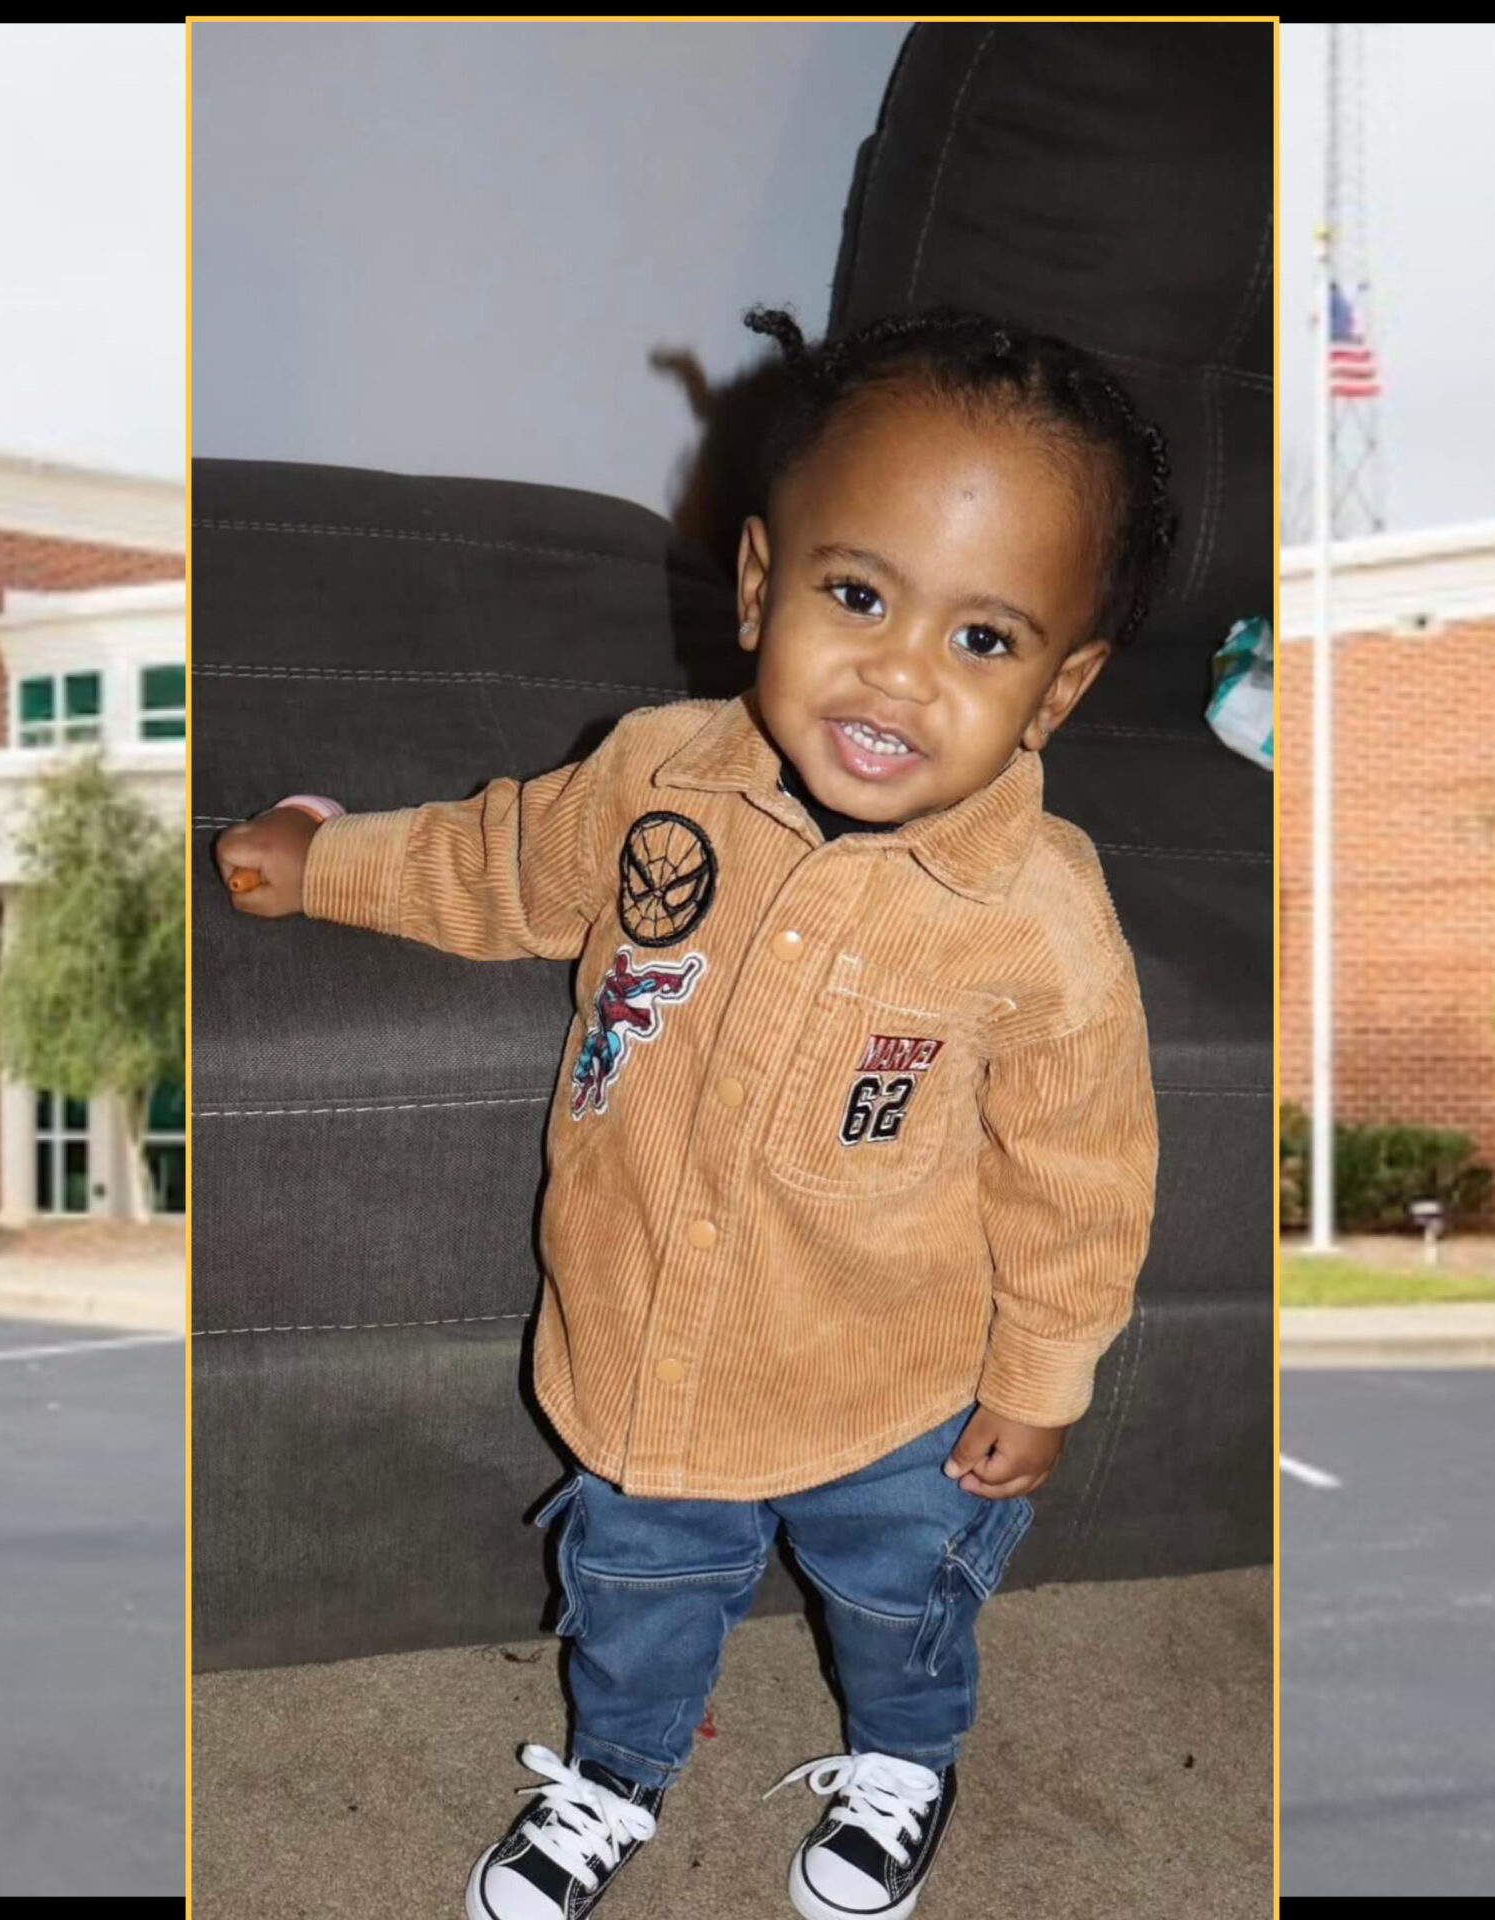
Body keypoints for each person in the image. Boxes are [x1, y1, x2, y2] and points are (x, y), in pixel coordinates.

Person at [215, 303, 1165, 1920]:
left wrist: (1045, 1376)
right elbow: (502, 864)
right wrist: (326, 862)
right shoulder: (657, 779)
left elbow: (1081, 1172)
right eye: (857, 595)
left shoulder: (1041, 922)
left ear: (1060, 689)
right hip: (646, 1364)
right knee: (633, 1599)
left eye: (982, 641)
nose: (899, 672)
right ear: (756, 586)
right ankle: (614, 1778)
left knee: (905, 1611)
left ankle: (906, 1760)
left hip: (900, 1399)